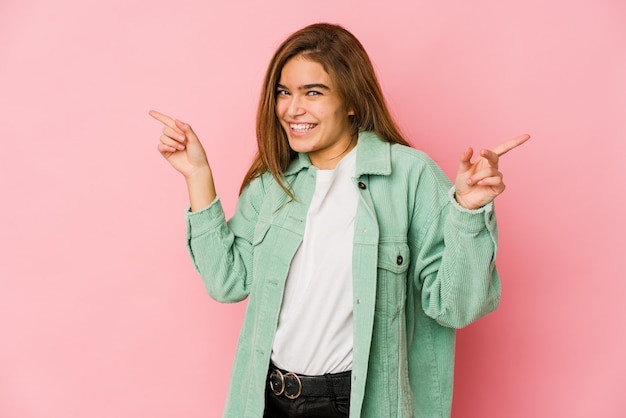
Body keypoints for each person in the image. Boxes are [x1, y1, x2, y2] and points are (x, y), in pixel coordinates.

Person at [150, 23, 529, 418]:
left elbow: (456, 308)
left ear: (351, 101)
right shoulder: (273, 184)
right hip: (267, 398)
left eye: (313, 92)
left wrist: (469, 212)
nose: (292, 109)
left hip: (355, 403)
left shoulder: (409, 176)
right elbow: (226, 282)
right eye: (284, 92)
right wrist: (197, 177)